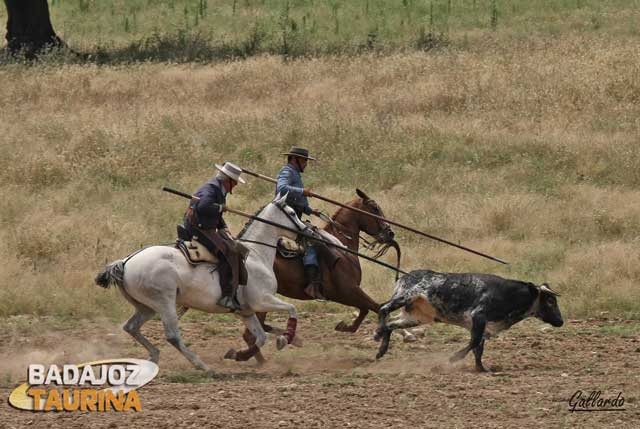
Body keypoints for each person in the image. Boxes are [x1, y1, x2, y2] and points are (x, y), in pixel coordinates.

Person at [183, 162, 245, 311]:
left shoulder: (218, 188)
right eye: (235, 181)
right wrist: (220, 207)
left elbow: (214, 213)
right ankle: (226, 296)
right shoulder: (211, 189)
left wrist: (222, 226)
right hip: (199, 228)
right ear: (228, 179)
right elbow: (204, 207)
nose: (236, 184)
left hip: (206, 226)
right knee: (228, 252)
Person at [275, 147, 324, 300]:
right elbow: (281, 189)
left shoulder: (293, 173)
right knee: (310, 239)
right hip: (286, 217)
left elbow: (296, 201)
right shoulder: (287, 171)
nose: (306, 164)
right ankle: (311, 283)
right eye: (304, 161)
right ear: (294, 160)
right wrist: (302, 191)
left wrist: (310, 210)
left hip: (293, 215)